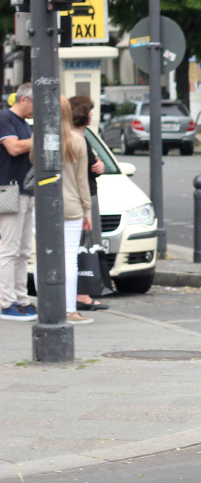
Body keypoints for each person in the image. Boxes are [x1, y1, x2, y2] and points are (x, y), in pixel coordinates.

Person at [69, 95, 109, 310]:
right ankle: (82, 294)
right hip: (83, 197)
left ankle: (80, 293)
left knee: (80, 245)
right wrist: (86, 209)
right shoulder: (79, 139)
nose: (92, 115)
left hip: (80, 195)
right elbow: (83, 173)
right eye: (90, 111)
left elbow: (92, 165)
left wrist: (99, 164)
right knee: (85, 244)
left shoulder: (77, 138)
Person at [0, 83, 36, 321]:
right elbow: (13, 148)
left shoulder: (24, 124)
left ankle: (21, 298)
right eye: (35, 104)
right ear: (24, 100)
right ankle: (6, 301)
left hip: (25, 189)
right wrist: (44, 137)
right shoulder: (5, 118)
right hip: (9, 188)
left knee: (23, 250)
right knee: (10, 249)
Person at [59, 96, 94, 325]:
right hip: (71, 204)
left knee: (45, 256)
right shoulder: (77, 141)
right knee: (69, 256)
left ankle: (50, 304)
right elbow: (82, 180)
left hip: (41, 208)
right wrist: (87, 211)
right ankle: (70, 309)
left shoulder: (41, 137)